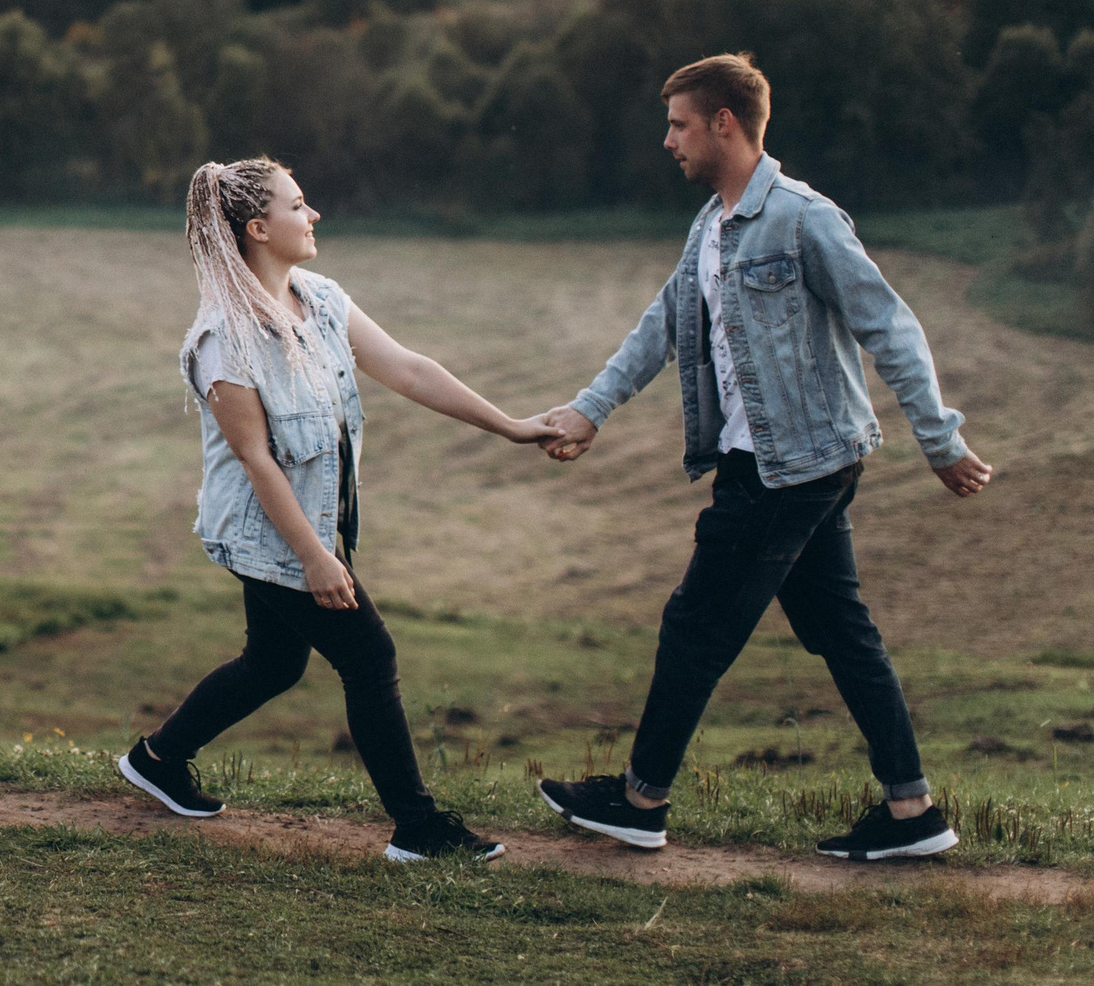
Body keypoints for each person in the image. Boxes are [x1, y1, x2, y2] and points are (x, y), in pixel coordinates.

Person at [533, 53, 991, 863]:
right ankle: (913, 809)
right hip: (781, 464)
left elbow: (891, 325)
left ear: (724, 123)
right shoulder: (709, 226)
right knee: (841, 630)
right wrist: (591, 408)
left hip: (791, 467)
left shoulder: (805, 218)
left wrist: (941, 439)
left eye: (678, 123)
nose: (666, 139)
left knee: (694, 626)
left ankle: (641, 799)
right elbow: (663, 326)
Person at [117, 157, 562, 862]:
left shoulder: (318, 298)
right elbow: (257, 462)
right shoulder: (222, 343)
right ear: (259, 228)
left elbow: (408, 367)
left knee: (272, 664)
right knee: (369, 653)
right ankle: (417, 827)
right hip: (268, 535)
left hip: (312, 526)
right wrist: (316, 558)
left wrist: (510, 425)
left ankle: (158, 758)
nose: (314, 213)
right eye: (300, 204)